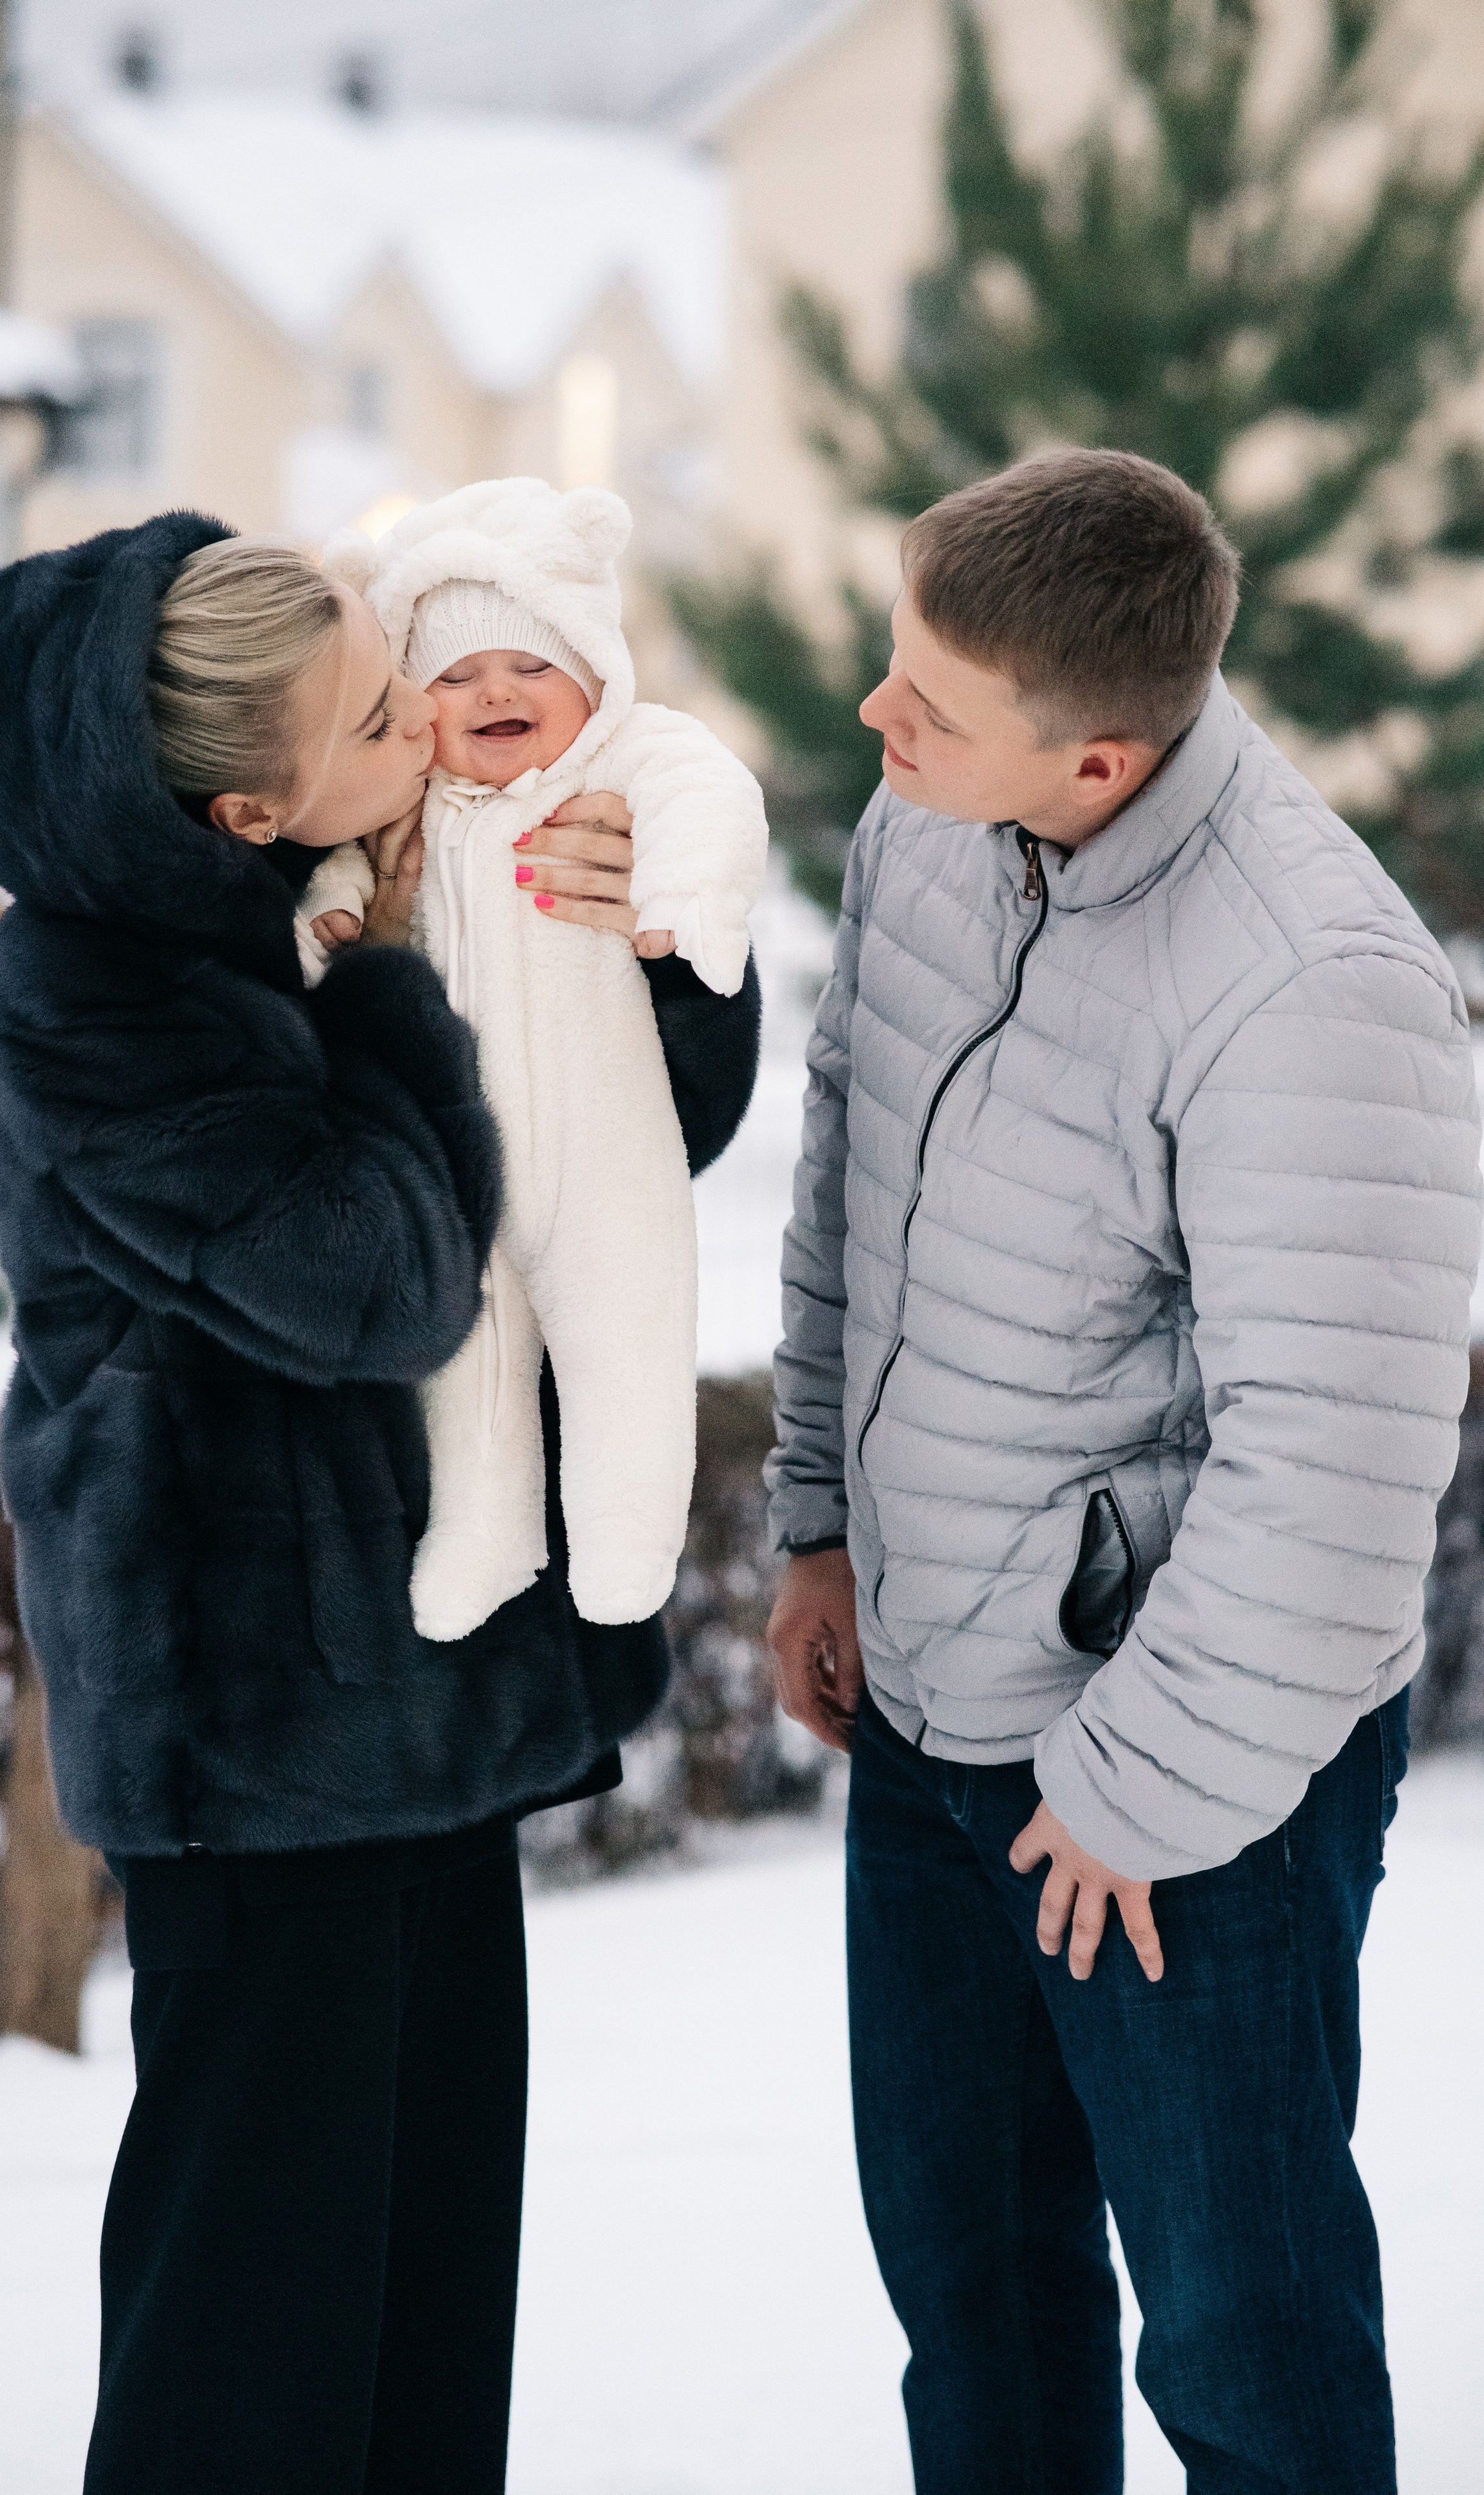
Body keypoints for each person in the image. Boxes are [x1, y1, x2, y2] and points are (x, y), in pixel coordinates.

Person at [0, 512, 760, 2495]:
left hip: (426, 1697)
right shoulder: (95, 998)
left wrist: (645, 959)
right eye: (380, 716)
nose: (431, 729)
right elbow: (377, 1275)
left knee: (429, 2316)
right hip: (256, 1734)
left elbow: (610, 1157)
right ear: (250, 798)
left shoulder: (332, 868)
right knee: (247, 2349)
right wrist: (398, 986)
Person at [765, 448, 1479, 2494]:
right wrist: (818, 1521)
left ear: (1096, 763)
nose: (880, 721)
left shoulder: (1315, 985)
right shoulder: (929, 831)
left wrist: (1133, 1796)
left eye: (932, 704)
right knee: (976, 2314)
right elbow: (851, 1181)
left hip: (1189, 1800)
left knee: (1249, 2361)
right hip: (930, 1717)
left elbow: (1338, 1483)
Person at [298, 478, 767, 1641]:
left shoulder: (629, 762)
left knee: (625, 1341)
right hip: (460, 1170)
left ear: (596, 673)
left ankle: (627, 1533)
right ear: (416, 703)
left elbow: (713, 804)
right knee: (469, 1358)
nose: (494, 689)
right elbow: (338, 873)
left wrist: (687, 901)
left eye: (530, 664)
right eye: (454, 675)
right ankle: (486, 1530)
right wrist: (333, 922)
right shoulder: (406, 801)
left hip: (609, 1152)